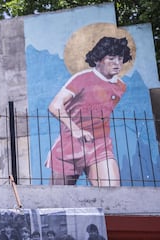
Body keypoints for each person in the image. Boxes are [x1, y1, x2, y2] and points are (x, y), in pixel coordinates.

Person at [46, 36, 132, 186]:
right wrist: (76, 130)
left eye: (120, 58)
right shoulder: (81, 79)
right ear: (98, 59)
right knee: (57, 201)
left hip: (100, 147)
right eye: (111, 58)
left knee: (112, 193)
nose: (117, 63)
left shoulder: (121, 87)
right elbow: (55, 105)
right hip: (69, 146)